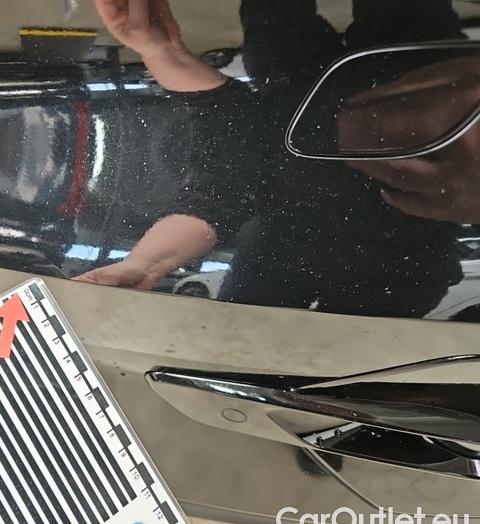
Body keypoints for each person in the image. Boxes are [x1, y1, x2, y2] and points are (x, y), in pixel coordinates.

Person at [77, 0, 471, 318]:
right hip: (398, 89)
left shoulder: (267, 261)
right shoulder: (392, 282)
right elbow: (216, 156)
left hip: (306, 84)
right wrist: (143, 265)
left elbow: (219, 121)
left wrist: (159, 50)